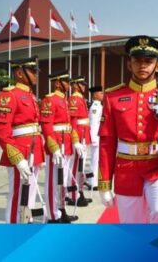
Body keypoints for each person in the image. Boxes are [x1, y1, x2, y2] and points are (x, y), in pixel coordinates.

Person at [98, 35, 158, 223]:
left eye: (148, 61)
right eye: (137, 60)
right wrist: (104, 183)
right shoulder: (113, 96)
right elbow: (107, 142)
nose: (142, 65)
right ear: (129, 64)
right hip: (127, 169)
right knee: (132, 226)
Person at [0, 56, 45, 223]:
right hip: (19, 151)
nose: (36, 74)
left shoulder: (30, 95)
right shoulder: (9, 95)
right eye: (32, 71)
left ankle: (25, 223)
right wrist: (17, 157)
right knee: (17, 195)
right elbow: (1, 131)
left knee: (28, 194)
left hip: (33, 150)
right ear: (19, 73)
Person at [40, 70, 78, 223]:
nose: (69, 84)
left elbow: (69, 125)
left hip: (66, 143)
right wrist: (53, 147)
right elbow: (46, 125)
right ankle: (51, 215)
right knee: (52, 181)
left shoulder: (65, 100)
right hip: (56, 144)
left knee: (62, 180)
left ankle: (61, 209)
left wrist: (75, 141)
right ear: (57, 83)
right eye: (66, 81)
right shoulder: (50, 100)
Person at [66, 75, 91, 207]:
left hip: (83, 134)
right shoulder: (75, 99)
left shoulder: (80, 98)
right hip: (78, 134)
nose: (84, 86)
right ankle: (73, 194)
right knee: (75, 167)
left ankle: (79, 191)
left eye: (84, 84)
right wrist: (75, 140)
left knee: (80, 167)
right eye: (81, 84)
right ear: (75, 85)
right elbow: (73, 122)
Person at [87, 85, 103, 191]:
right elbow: (93, 123)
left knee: (96, 159)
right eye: (101, 93)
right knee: (94, 160)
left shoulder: (99, 106)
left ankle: (91, 180)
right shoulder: (95, 107)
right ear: (95, 95)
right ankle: (92, 182)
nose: (103, 95)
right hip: (95, 137)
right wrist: (93, 138)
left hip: (98, 136)